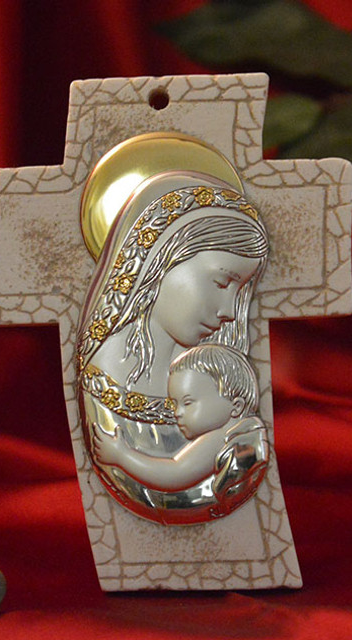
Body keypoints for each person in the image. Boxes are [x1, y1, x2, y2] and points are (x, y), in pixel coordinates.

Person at [76, 172, 270, 523]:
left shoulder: (215, 377)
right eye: (222, 281)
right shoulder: (106, 379)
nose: (229, 311)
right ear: (163, 259)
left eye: (238, 292)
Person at [92, 344, 268, 495]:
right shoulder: (246, 431)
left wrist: (122, 456)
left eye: (188, 402)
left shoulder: (220, 438)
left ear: (235, 406)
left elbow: (175, 473)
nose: (177, 413)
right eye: (174, 404)